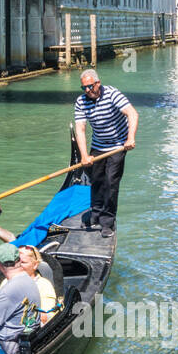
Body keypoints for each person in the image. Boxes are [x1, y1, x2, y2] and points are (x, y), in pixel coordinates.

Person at [73, 68, 138, 235]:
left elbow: (132, 113)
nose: (87, 91)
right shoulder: (81, 102)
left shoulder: (112, 94)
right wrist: (84, 156)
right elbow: (80, 129)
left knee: (111, 181)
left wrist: (130, 138)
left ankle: (108, 221)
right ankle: (95, 214)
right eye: (84, 88)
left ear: (97, 83)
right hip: (98, 145)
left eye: (90, 87)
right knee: (96, 180)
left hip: (118, 145)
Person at [0, 197, 56, 287]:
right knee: (5, 235)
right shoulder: (6, 282)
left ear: (35, 265)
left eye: (23, 262)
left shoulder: (43, 286)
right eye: (18, 262)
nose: (18, 266)